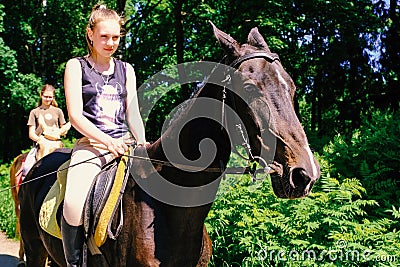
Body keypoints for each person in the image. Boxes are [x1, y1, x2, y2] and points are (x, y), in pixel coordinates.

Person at [62, 4, 147, 266]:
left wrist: (143, 142)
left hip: (126, 144)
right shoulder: (76, 67)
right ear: (90, 34)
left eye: (116, 37)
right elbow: (75, 116)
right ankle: (76, 263)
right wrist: (107, 142)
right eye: (104, 36)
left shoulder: (127, 69)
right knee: (73, 204)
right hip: (91, 146)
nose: (110, 43)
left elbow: (132, 113)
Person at [23, 84, 68, 177]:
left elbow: (63, 129)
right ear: (41, 95)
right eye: (46, 97)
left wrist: (58, 134)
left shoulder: (58, 111)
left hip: (56, 145)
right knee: (27, 167)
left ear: (53, 97)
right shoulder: (34, 112)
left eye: (50, 97)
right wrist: (41, 141)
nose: (48, 99)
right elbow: (31, 133)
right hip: (40, 145)